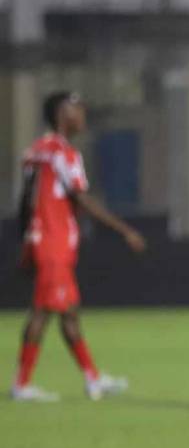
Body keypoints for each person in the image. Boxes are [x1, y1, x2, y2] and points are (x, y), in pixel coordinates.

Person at [10, 91, 146, 403]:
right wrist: (125, 231)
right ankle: (22, 384)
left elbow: (26, 200)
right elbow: (81, 199)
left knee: (68, 312)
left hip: (43, 238)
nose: (82, 115)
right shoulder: (63, 154)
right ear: (61, 114)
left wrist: (26, 239)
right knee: (43, 310)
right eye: (77, 109)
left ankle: (92, 379)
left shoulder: (36, 151)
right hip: (55, 240)